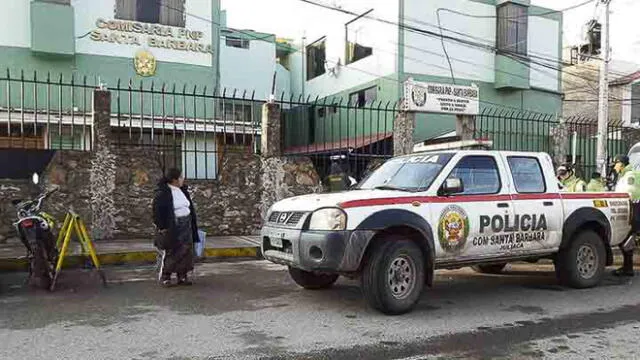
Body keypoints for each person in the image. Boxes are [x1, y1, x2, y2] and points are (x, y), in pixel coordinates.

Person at [153, 168, 200, 286]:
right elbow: (157, 211)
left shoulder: (183, 191)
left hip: (186, 224)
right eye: (180, 177)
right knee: (172, 250)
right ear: (174, 179)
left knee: (186, 250)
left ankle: (182, 275)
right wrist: (162, 227)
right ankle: (166, 276)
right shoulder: (163, 193)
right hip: (173, 225)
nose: (182, 179)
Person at [613, 155, 640, 277]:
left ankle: (628, 268)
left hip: (635, 211)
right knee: (627, 240)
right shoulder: (624, 175)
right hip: (632, 212)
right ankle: (628, 268)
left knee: (628, 240)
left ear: (622, 164)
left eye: (616, 164)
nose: (615, 167)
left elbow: (631, 195)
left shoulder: (630, 176)